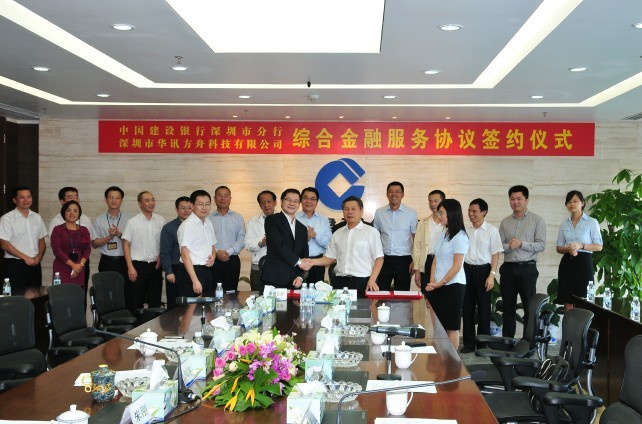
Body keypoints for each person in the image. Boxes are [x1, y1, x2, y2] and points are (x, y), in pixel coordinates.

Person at [307, 196, 383, 295]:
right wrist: (311, 262)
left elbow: (379, 259)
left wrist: (372, 280)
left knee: (362, 306)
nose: (349, 212)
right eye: (346, 209)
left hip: (363, 283)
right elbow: (329, 258)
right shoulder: (337, 233)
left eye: (353, 209)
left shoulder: (371, 232)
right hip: (339, 282)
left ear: (361, 211)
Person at [499, 185, 546, 338]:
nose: (515, 202)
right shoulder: (505, 222)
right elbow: (499, 246)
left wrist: (522, 244)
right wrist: (509, 246)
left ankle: (528, 343)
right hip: (508, 269)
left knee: (529, 307)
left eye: (519, 199)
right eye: (512, 199)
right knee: (508, 307)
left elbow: (541, 245)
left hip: (528, 269)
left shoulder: (537, 220)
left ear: (526, 200)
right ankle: (507, 342)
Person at [426, 198, 469, 349]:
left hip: (453, 286)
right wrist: (433, 281)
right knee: (439, 327)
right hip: (438, 286)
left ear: (451, 213)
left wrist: (440, 283)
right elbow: (435, 259)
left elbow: (457, 266)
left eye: (441, 212)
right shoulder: (444, 233)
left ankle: (452, 360)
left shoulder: (461, 236)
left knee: (451, 327)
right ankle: (440, 357)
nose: (439, 216)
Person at [461, 198, 503, 353]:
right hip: (467, 270)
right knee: (467, 308)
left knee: (484, 309)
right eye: (469, 211)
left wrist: (492, 275)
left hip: (484, 272)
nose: (471, 214)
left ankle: (482, 345)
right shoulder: (465, 230)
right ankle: (468, 343)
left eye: (474, 211)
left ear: (484, 212)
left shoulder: (492, 231)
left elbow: (495, 255)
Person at [556, 190, 603, 311]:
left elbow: (599, 246)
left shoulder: (592, 222)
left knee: (584, 298)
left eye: (575, 201)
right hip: (567, 262)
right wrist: (567, 248)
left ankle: (583, 323)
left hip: (584, 263)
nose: (572, 204)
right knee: (567, 299)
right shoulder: (564, 224)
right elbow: (559, 247)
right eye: (569, 202)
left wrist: (581, 245)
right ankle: (568, 323)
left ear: (582, 203)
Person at [122, 191, 165, 310]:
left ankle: (154, 322)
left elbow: (163, 242)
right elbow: (126, 244)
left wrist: (160, 256)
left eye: (153, 200)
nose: (151, 203)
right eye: (147, 200)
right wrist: (130, 267)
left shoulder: (160, 220)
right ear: (140, 203)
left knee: (155, 301)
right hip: (138, 266)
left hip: (155, 266)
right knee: (136, 301)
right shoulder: (132, 222)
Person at [0, 186, 47, 290]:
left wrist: (39, 256)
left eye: (29, 197)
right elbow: (4, 244)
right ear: (14, 200)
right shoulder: (7, 219)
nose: (26, 200)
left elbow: (41, 240)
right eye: (22, 197)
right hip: (15, 265)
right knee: (15, 297)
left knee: (36, 295)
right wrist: (26, 258)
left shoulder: (37, 217)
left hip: (35, 264)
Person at [373, 181, 417, 291]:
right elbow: (375, 236)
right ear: (387, 194)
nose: (394, 194)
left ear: (403, 194)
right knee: (381, 292)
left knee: (402, 294)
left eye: (397, 191)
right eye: (391, 192)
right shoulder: (379, 212)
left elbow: (415, 238)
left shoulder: (411, 213)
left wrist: (414, 260)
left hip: (404, 260)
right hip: (384, 259)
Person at [261, 188, 309, 289]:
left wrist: (301, 277)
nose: (292, 203)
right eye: (288, 200)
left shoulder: (302, 228)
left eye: (295, 201)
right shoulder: (272, 220)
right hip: (274, 278)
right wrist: (299, 262)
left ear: (299, 204)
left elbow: (304, 254)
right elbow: (277, 246)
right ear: (281, 201)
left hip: (295, 281)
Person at [49, 186, 93, 295]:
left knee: (78, 297)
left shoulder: (84, 229)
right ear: (64, 212)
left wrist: (80, 265)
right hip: (62, 267)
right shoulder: (57, 229)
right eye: (68, 210)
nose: (72, 213)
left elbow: (87, 249)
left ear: (79, 213)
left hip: (79, 268)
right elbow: (57, 250)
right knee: (61, 296)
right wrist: (73, 265)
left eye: (75, 211)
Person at [178, 190, 217, 297]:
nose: (204, 207)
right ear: (192, 205)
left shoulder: (208, 222)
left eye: (207, 204)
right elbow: (184, 255)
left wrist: (213, 256)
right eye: (200, 204)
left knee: (207, 304)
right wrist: (195, 280)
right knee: (192, 306)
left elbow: (212, 245)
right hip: (191, 272)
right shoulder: (187, 225)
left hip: (207, 270)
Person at [209, 186, 245, 293]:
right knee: (213, 292)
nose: (222, 199)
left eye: (226, 196)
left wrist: (228, 252)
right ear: (215, 198)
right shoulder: (208, 218)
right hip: (213, 260)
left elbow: (242, 238)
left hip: (232, 260)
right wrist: (216, 252)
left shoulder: (238, 217)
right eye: (219, 196)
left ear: (230, 198)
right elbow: (205, 239)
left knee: (231, 293)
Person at [91, 186, 131, 285]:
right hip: (106, 261)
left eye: (117, 198)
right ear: (106, 199)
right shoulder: (99, 220)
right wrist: (109, 237)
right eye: (111, 197)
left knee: (125, 290)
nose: (114, 200)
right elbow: (94, 244)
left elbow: (134, 241)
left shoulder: (129, 219)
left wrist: (118, 234)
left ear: (121, 200)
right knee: (106, 290)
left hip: (124, 261)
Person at [159, 196, 191, 309]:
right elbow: (164, 252)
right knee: (175, 304)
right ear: (177, 209)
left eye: (189, 208)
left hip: (192, 269)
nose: (186, 211)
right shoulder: (169, 228)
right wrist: (169, 271)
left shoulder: (196, 226)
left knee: (190, 303)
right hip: (175, 269)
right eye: (183, 208)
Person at [413, 190, 446, 296]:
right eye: (430, 201)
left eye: (436, 201)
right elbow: (417, 247)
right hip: (427, 262)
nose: (432, 204)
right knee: (427, 296)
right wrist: (417, 270)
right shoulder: (423, 223)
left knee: (443, 295)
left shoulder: (449, 224)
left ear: (443, 202)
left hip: (444, 263)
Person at [296, 187, 331, 284]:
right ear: (301, 200)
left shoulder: (323, 219)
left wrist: (315, 235)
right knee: (297, 290)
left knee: (317, 290)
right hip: (298, 261)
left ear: (317, 201)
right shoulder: (294, 217)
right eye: (305, 198)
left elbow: (329, 243)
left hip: (318, 263)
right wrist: (303, 240)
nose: (309, 201)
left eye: (312, 199)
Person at [244, 190, 276, 292]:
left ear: (275, 202)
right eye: (263, 202)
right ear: (260, 205)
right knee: (257, 295)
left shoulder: (283, 220)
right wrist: (260, 243)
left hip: (278, 267)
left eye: (269, 201)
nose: (266, 205)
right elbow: (247, 244)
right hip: (257, 267)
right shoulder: (253, 221)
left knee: (277, 297)